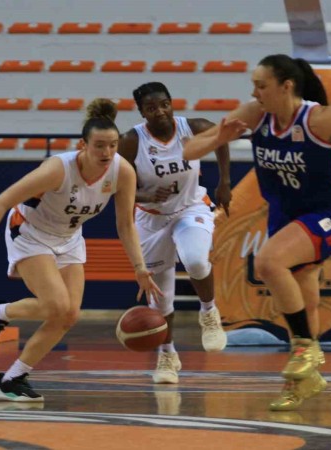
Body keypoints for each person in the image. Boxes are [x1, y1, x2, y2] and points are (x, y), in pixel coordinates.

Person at [182, 54, 331, 410]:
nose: (254, 92)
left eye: (261, 85)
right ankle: (304, 381)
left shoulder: (322, 119)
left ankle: (306, 347)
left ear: (286, 86)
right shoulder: (254, 114)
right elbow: (188, 151)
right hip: (287, 215)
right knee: (304, 295)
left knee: (269, 262)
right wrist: (220, 137)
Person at [0, 98, 163, 402]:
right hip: (30, 232)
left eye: (112, 145)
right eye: (99, 145)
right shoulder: (58, 169)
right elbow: (1, 201)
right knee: (55, 305)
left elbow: (125, 224)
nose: (107, 152)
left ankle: (13, 378)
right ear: (83, 145)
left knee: (68, 315)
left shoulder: (122, 172)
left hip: (68, 237)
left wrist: (139, 268)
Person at [118, 82, 231, 385]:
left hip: (190, 208)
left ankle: (208, 313)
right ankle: (167, 353)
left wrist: (224, 182)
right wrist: (146, 196)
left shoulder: (193, 127)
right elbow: (118, 186)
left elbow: (222, 138)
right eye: (151, 108)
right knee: (161, 299)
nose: (160, 111)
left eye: (164, 104)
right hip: (151, 219)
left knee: (195, 260)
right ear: (142, 112)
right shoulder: (131, 141)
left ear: (171, 104)